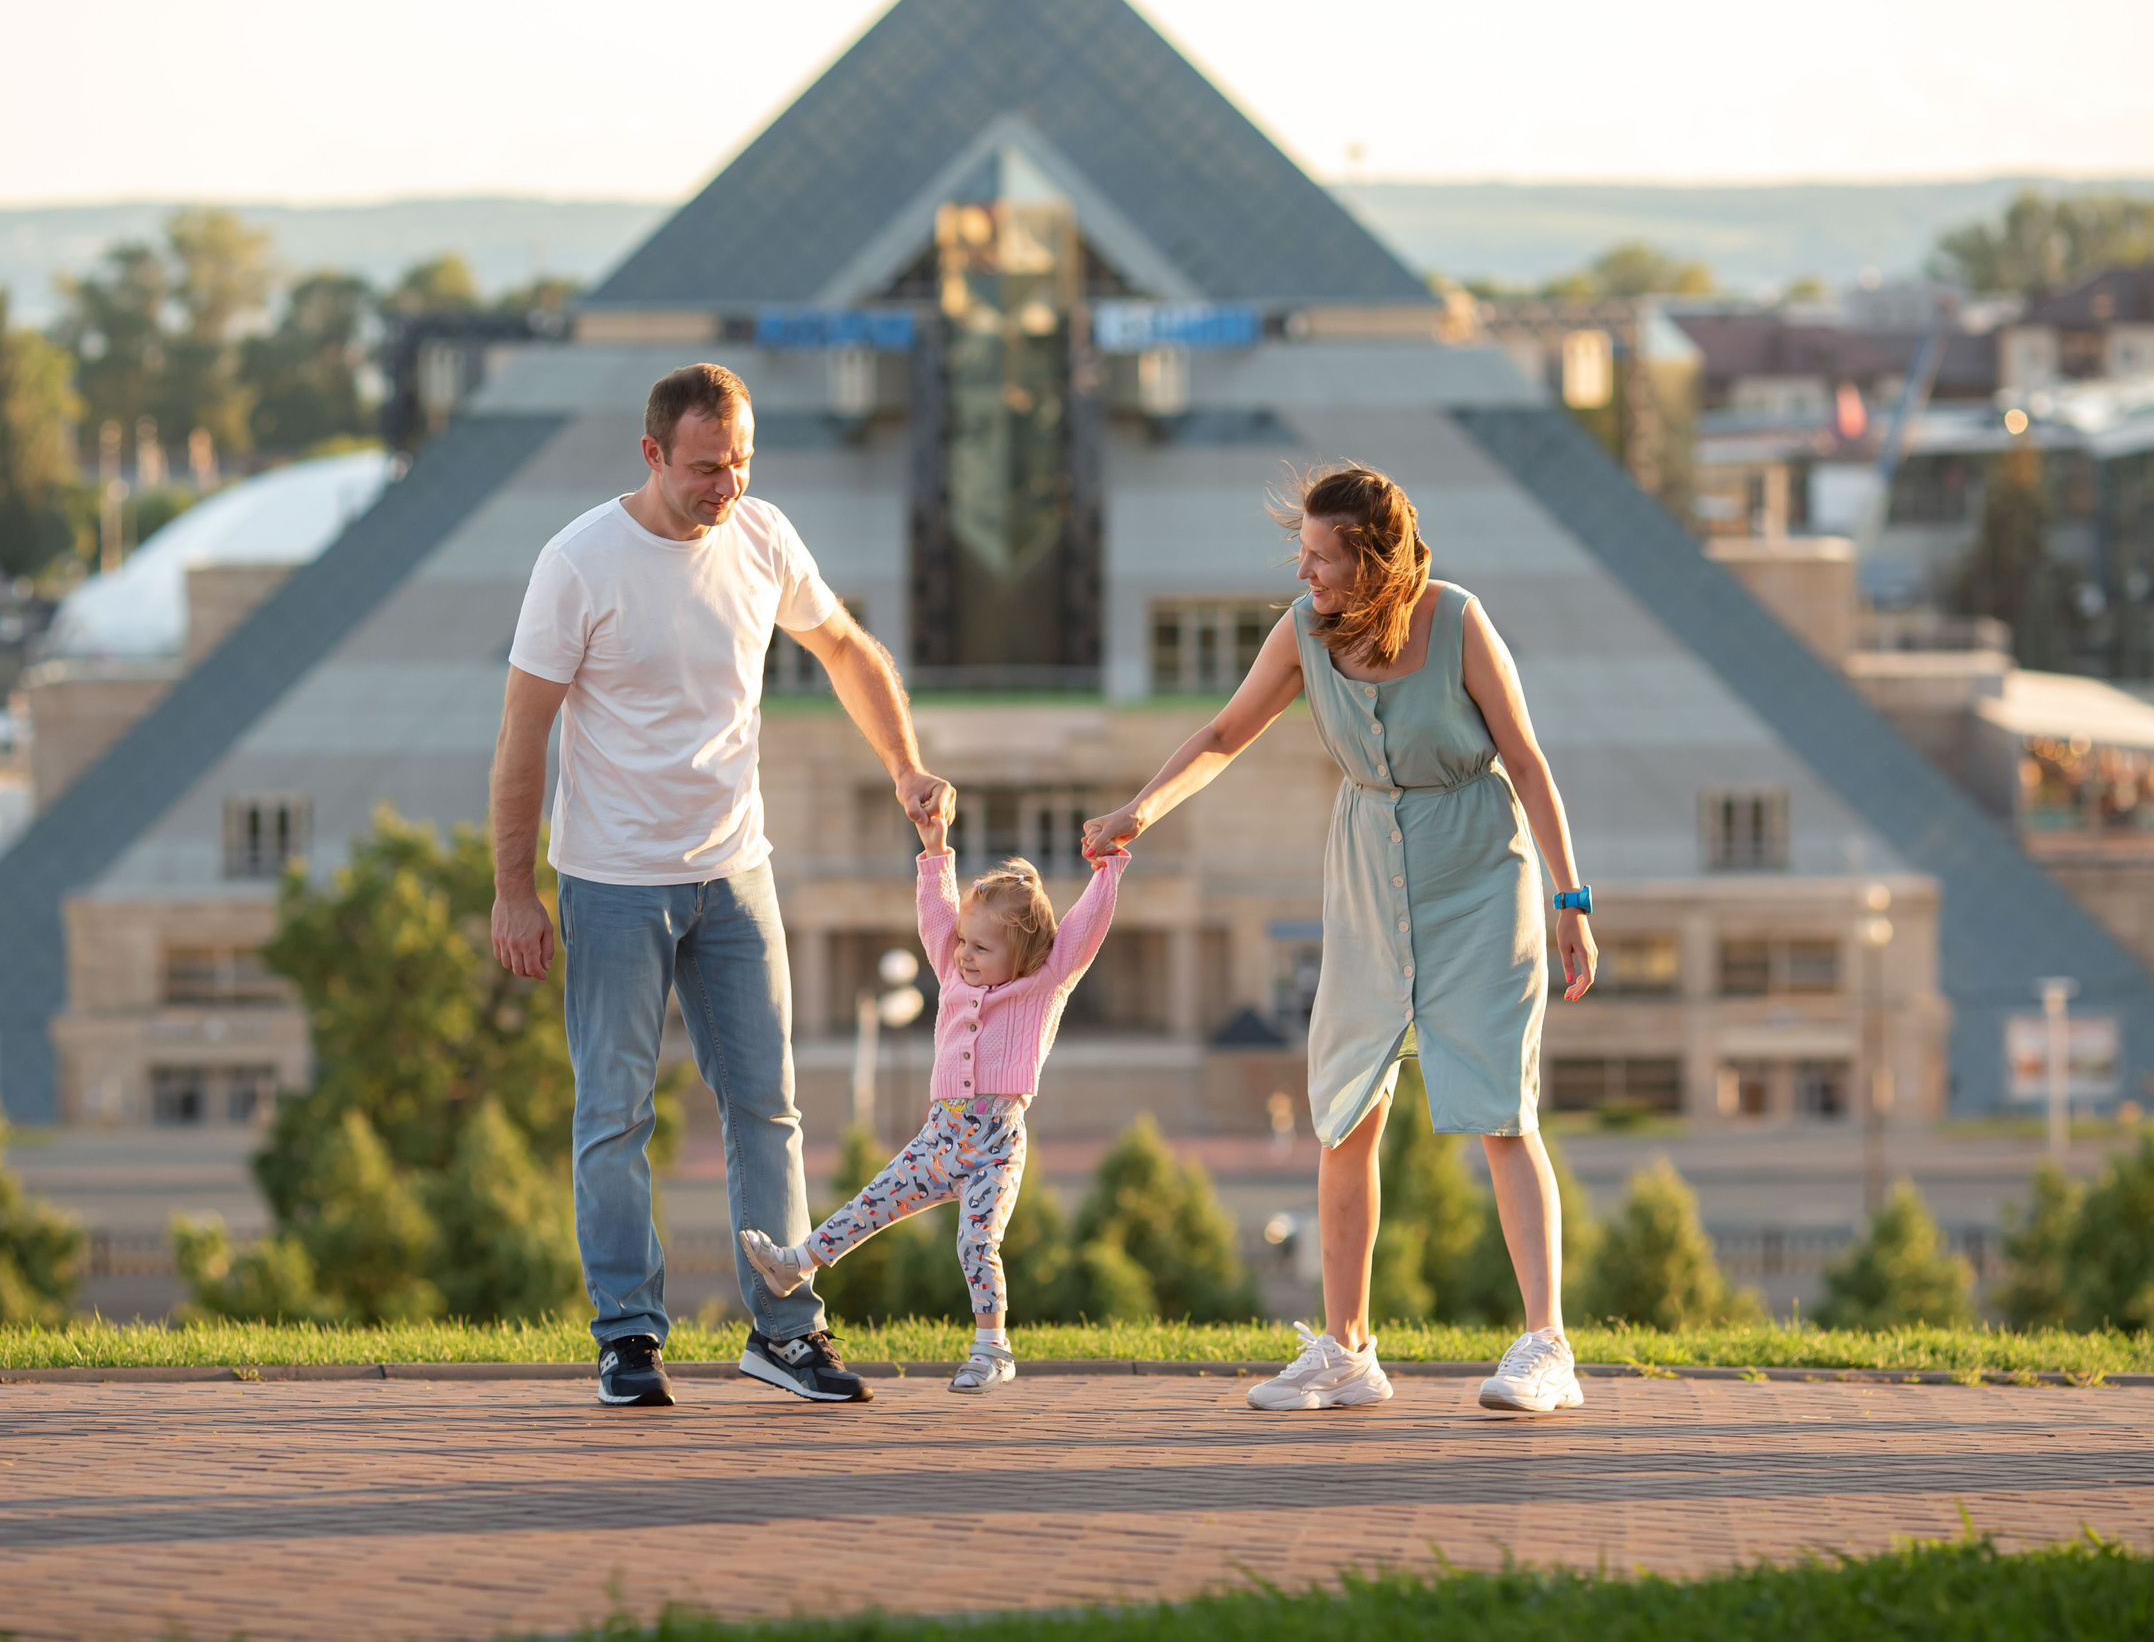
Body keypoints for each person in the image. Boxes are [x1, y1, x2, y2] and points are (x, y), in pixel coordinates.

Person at [1083, 465, 1598, 1415]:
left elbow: (1527, 761)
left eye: (1322, 556)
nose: (1305, 571)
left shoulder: (1458, 621)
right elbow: (1224, 733)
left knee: (1502, 1111)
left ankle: (1547, 1345)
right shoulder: (1302, 631)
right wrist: (1137, 812)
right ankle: (1349, 1351)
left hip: (1481, 881)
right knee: (1344, 1112)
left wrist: (1572, 899)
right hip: (1367, 882)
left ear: (1374, 562)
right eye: (1304, 552)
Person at [489, 363, 950, 1408]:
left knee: (767, 1108)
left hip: (736, 874)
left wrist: (904, 766)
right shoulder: (578, 562)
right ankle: (628, 1337)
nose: (727, 485)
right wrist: (514, 889)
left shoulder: (763, 536)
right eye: (705, 467)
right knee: (614, 1115)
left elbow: (845, 648)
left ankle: (785, 1333)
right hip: (613, 882)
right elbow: (522, 736)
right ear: (652, 455)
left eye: (740, 461)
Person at [739, 792, 1128, 1394]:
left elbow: (1084, 931)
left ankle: (992, 1350)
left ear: (1023, 954)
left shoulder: (1046, 984)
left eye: (981, 947)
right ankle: (795, 1265)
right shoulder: (952, 971)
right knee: (871, 1203)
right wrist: (935, 849)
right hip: (940, 1135)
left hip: (996, 1142)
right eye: (963, 942)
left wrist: (1108, 869)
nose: (963, 953)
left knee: (977, 1242)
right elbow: (937, 916)